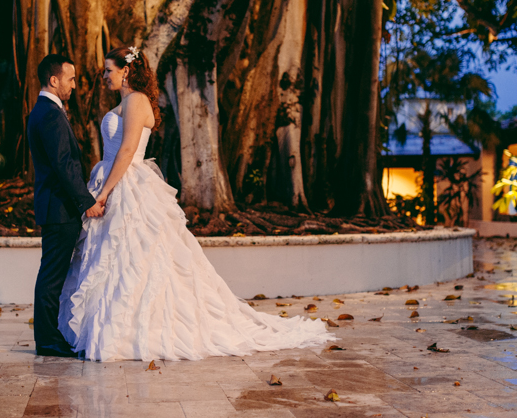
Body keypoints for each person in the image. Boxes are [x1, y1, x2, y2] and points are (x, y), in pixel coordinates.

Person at [58, 45, 334, 361]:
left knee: (132, 258)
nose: (104, 75)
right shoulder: (126, 102)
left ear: (126, 71)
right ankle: (105, 325)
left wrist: (104, 192)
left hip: (125, 185)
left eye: (109, 70)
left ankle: (129, 329)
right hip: (114, 178)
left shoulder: (135, 100)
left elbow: (126, 150)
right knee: (110, 258)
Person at [27, 55, 104, 358]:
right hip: (59, 209)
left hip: (56, 207)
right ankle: (47, 341)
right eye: (70, 79)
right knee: (52, 276)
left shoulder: (47, 111)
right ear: (54, 80)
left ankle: (50, 336)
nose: (74, 85)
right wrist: (86, 203)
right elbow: (63, 165)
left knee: (52, 273)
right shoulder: (49, 114)